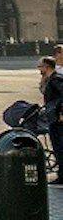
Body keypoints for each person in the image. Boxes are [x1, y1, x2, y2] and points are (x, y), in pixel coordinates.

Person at [38, 56, 63, 186]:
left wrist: (62, 113)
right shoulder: (50, 79)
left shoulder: (56, 79)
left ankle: (62, 175)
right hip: (53, 116)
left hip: (58, 118)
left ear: (46, 67)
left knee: (60, 146)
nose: (39, 69)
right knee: (57, 146)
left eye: (40, 66)